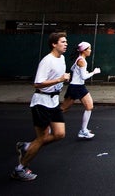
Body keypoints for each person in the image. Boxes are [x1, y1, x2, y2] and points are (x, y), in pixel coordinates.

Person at [11, 32, 71, 181]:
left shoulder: (62, 58)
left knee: (59, 134)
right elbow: (37, 83)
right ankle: (19, 169)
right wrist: (59, 79)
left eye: (66, 42)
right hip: (41, 102)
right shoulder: (47, 60)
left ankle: (26, 146)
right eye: (63, 42)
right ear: (54, 44)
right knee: (42, 137)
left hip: (54, 102)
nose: (66, 44)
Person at [60, 41, 101, 139]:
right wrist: (94, 72)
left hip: (79, 86)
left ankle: (83, 130)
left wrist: (82, 72)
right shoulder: (82, 61)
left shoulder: (80, 59)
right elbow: (83, 77)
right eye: (89, 49)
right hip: (75, 87)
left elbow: (73, 69)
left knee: (89, 106)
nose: (90, 51)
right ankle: (46, 124)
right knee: (63, 109)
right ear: (84, 50)